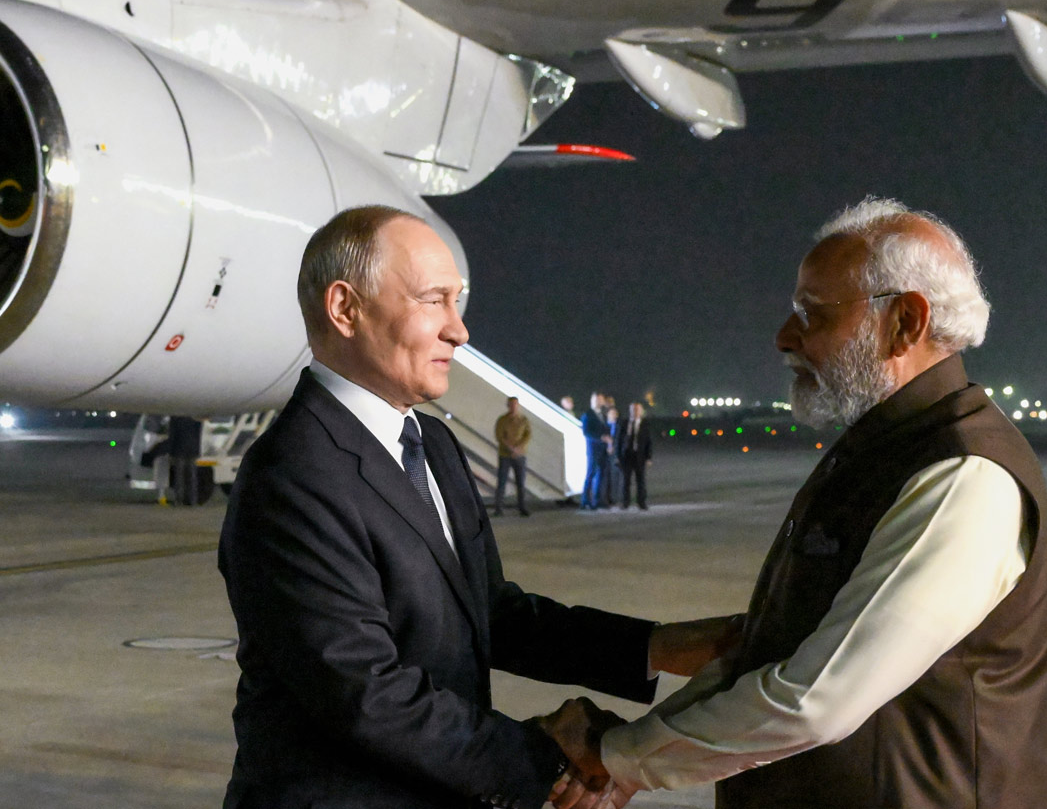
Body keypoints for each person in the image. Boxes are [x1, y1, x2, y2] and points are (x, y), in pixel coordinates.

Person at [218, 206, 740, 809]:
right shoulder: (293, 474)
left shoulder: (432, 445)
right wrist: (546, 753)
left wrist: (659, 647)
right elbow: (365, 696)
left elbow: (491, 613)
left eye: (457, 302)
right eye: (433, 300)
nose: (459, 331)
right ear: (345, 309)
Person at [566, 197, 1047, 808]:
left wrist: (620, 760)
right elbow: (784, 652)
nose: (785, 337)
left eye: (812, 313)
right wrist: (632, 748)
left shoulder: (963, 473)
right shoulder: (881, 450)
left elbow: (817, 698)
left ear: (905, 321)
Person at [494, 396, 531, 517]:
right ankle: (498, 508)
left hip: (520, 455)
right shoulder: (502, 420)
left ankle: (522, 507)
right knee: (502, 481)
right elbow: (499, 436)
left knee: (521, 482)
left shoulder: (524, 420)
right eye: (511, 404)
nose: (513, 406)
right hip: (505, 455)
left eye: (515, 404)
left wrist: (519, 448)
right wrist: (511, 448)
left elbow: (527, 435)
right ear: (508, 406)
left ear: (518, 405)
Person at [579, 392, 610, 511]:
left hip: (603, 450)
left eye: (601, 399)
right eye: (597, 400)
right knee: (591, 474)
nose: (599, 402)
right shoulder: (588, 415)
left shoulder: (603, 415)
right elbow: (586, 432)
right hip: (593, 450)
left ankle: (598, 500)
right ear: (592, 401)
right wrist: (601, 437)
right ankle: (585, 500)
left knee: (601, 475)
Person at [618, 402, 652, 511]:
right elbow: (619, 440)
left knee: (640, 480)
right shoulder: (625, 423)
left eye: (637, 410)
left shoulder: (645, 424)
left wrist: (648, 457)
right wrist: (618, 455)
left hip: (639, 456)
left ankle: (641, 502)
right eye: (633, 410)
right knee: (626, 481)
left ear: (641, 411)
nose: (635, 412)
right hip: (627, 455)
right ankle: (625, 502)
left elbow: (648, 442)